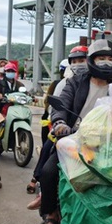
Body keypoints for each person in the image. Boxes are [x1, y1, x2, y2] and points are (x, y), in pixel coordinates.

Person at [38, 39, 112, 224]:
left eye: (109, 59)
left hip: (108, 144)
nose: (105, 62)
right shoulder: (76, 82)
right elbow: (62, 104)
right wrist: (60, 123)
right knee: (48, 172)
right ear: (92, 61)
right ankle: (51, 214)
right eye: (100, 58)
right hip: (75, 139)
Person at [26, 46, 88, 208]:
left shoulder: (111, 85)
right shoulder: (66, 84)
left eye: (82, 60)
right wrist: (60, 123)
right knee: (48, 167)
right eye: (74, 62)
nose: (78, 65)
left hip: (101, 137)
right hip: (70, 134)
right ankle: (49, 210)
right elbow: (57, 107)